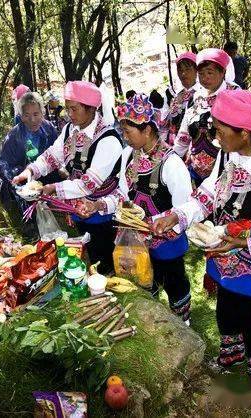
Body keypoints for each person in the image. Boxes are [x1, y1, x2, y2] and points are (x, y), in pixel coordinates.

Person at [154, 89, 251, 390]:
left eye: (220, 130)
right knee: (226, 311)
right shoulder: (228, 153)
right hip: (225, 257)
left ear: (246, 132)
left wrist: (245, 244)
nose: (214, 136)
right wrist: (178, 215)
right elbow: (210, 193)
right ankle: (232, 355)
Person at [82, 94, 193, 323]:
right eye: (122, 132)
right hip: (136, 240)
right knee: (143, 282)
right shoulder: (128, 157)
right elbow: (122, 195)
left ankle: (184, 325)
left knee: (174, 283)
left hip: (167, 242)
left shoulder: (172, 164)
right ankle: (152, 324)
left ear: (148, 131)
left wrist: (157, 224)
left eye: (128, 132)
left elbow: (185, 209)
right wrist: (99, 204)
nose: (125, 137)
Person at [12, 81, 124, 273]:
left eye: (74, 109)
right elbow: (52, 156)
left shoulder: (108, 140)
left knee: (103, 252)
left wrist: (54, 188)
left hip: (102, 211)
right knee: (85, 248)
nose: (69, 114)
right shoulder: (70, 130)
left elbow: (89, 184)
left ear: (90, 109)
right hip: (77, 207)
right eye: (67, 108)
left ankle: (107, 276)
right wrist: (30, 171)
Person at [0, 92, 59, 241]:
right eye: (27, 115)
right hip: (21, 176)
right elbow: (2, 163)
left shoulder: (49, 129)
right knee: (20, 184)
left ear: (42, 112)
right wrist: (12, 178)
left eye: (36, 114)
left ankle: (53, 208)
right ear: (20, 115)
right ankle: (28, 224)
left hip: (44, 171)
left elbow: (58, 153)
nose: (32, 120)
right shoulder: (14, 135)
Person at [174, 48, 239, 185]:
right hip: (195, 170)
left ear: (223, 72)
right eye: (201, 73)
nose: (205, 78)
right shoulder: (195, 97)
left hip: (226, 170)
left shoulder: (234, 95)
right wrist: (174, 158)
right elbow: (184, 135)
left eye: (210, 72)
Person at [161, 52, 200, 146]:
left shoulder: (203, 91)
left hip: (197, 143)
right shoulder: (171, 93)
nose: (183, 73)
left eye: (188, 69)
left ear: (196, 70)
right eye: (180, 70)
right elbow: (164, 120)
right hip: (174, 143)